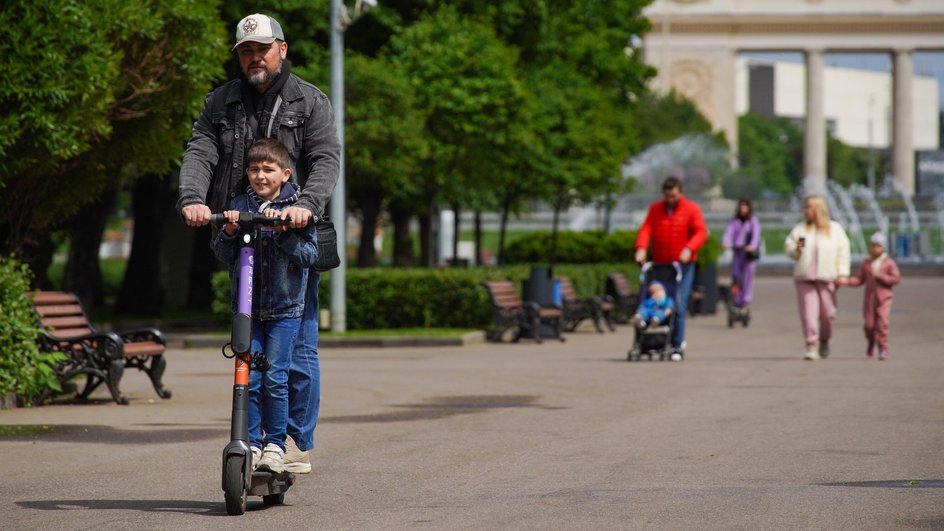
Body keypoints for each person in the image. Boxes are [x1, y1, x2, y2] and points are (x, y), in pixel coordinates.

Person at [178, 13, 340, 473]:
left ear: (281, 50)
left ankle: (292, 443)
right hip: (241, 232)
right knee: (250, 348)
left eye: (262, 49)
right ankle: (251, 440)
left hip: (294, 237)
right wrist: (192, 199)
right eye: (246, 50)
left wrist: (305, 204)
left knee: (298, 350)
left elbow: (325, 158)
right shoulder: (221, 103)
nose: (255, 57)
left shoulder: (309, 101)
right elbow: (200, 151)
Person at [211, 139, 319, 473]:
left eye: (268, 170)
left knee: (275, 376)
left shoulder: (298, 208)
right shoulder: (240, 204)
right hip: (248, 311)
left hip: (285, 312)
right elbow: (223, 253)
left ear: (285, 174)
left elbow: (310, 256)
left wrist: (286, 231)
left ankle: (276, 444)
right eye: (254, 169)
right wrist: (229, 229)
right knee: (250, 379)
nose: (260, 176)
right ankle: (253, 444)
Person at [634, 176, 708, 358]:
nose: (670, 200)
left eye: (674, 196)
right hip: (661, 264)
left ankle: (677, 344)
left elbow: (701, 232)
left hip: (682, 265)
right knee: (656, 301)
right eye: (667, 196)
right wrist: (641, 249)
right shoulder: (655, 209)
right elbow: (646, 229)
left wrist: (689, 249)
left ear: (680, 193)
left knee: (679, 303)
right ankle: (651, 341)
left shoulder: (691, 209)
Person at [784, 195, 851, 361]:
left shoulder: (834, 230)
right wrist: (796, 250)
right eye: (804, 208)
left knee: (828, 314)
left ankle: (824, 339)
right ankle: (811, 345)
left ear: (817, 209)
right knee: (809, 313)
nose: (805, 211)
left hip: (827, 277)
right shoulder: (801, 230)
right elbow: (790, 248)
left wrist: (842, 273)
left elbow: (843, 252)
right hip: (805, 277)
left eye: (808, 208)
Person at [838, 232, 901, 360]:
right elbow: (859, 279)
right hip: (870, 299)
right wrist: (847, 281)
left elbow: (896, 279)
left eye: (878, 246)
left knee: (882, 323)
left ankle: (883, 347)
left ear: (883, 247)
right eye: (873, 246)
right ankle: (871, 341)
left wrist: (881, 276)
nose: (874, 249)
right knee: (869, 325)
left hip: (884, 298)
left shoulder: (888, 263)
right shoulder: (866, 263)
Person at [722, 198, 762, 311]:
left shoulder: (753, 221)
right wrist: (726, 242)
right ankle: (737, 299)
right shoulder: (802, 231)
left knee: (747, 278)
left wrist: (753, 245)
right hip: (739, 251)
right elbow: (728, 232)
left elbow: (756, 234)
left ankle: (745, 300)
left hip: (748, 254)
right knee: (736, 277)